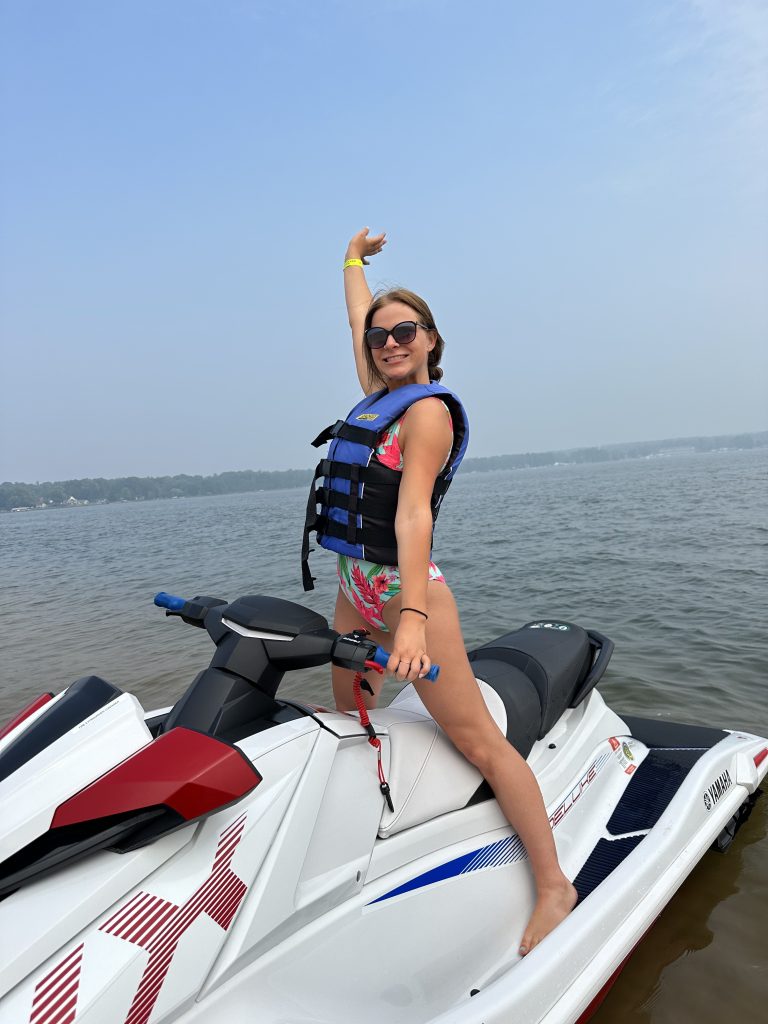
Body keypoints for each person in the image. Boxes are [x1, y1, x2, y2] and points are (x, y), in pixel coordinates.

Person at [303, 227, 577, 955]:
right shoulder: (377, 397)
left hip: (406, 594)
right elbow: (356, 314)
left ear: (430, 340)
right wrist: (353, 260)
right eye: (379, 335)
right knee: (349, 710)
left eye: (404, 331)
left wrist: (414, 621)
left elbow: (412, 511)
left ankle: (554, 884)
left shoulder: (423, 410)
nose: (389, 342)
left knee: (480, 744)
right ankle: (379, 825)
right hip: (355, 592)